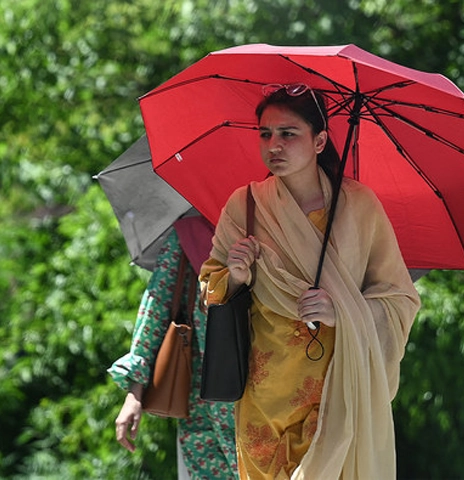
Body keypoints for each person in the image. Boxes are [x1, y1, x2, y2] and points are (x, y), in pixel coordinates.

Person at [198, 84, 420, 479]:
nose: (273, 145)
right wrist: (234, 277)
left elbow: (399, 298)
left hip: (336, 392)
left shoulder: (360, 206)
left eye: (288, 133)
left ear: (319, 141)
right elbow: (211, 290)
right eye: (265, 134)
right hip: (264, 399)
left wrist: (342, 311)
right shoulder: (245, 204)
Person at [110, 215, 238, 479]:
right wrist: (134, 393)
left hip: (265, 396)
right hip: (202, 400)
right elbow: (158, 307)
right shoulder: (190, 232)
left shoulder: (274, 225)